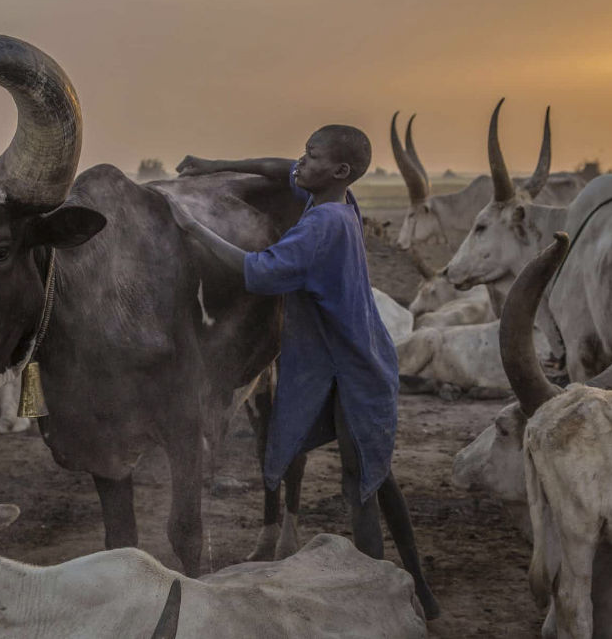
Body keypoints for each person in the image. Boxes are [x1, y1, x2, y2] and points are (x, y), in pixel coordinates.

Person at [166, 125, 439, 620]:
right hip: (358, 358)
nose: (299, 163)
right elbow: (277, 167)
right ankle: (422, 589)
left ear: (338, 171)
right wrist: (211, 165)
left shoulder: (322, 225)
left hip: (353, 369)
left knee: (360, 490)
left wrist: (190, 229)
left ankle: (375, 608)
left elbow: (257, 271)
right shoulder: (337, 201)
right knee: (381, 480)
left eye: (311, 158)